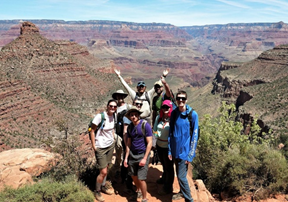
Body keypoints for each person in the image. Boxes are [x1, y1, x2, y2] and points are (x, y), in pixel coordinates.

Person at [168, 90, 199, 202]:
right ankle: (183, 193)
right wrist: (170, 150)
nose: (181, 101)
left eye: (183, 99)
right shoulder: (174, 113)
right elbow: (171, 132)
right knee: (180, 175)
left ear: (187, 100)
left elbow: (195, 135)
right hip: (175, 151)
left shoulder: (192, 115)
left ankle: (189, 199)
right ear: (176, 100)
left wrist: (190, 155)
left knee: (181, 177)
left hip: (185, 152)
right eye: (178, 98)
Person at [90, 99, 118, 202]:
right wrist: (94, 146)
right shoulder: (100, 117)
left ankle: (103, 186)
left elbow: (112, 129)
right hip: (100, 147)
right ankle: (97, 191)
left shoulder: (114, 116)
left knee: (106, 166)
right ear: (107, 106)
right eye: (111, 106)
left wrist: (113, 137)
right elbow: (92, 131)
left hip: (110, 145)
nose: (113, 108)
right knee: (103, 171)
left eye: (115, 106)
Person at [123, 106, 153, 202]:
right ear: (129, 117)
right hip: (133, 154)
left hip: (142, 154)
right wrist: (126, 158)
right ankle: (139, 189)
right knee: (133, 175)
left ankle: (144, 198)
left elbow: (150, 143)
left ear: (138, 115)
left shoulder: (145, 125)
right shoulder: (130, 127)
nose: (134, 117)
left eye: (135, 114)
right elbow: (128, 143)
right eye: (131, 115)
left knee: (141, 178)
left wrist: (145, 158)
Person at [153, 100, 174, 195]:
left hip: (168, 147)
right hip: (159, 145)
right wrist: (156, 139)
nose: (165, 109)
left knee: (169, 167)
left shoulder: (173, 119)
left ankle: (168, 187)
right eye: (163, 107)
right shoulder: (158, 118)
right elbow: (154, 130)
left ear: (170, 108)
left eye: (167, 107)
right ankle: (164, 179)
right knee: (164, 165)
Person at [110, 90, 128, 179]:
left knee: (126, 152)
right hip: (117, 134)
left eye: (121, 96)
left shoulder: (127, 107)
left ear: (124, 97)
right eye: (118, 96)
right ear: (116, 97)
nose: (120, 97)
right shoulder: (114, 108)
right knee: (118, 153)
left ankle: (125, 171)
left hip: (126, 134)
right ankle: (117, 171)